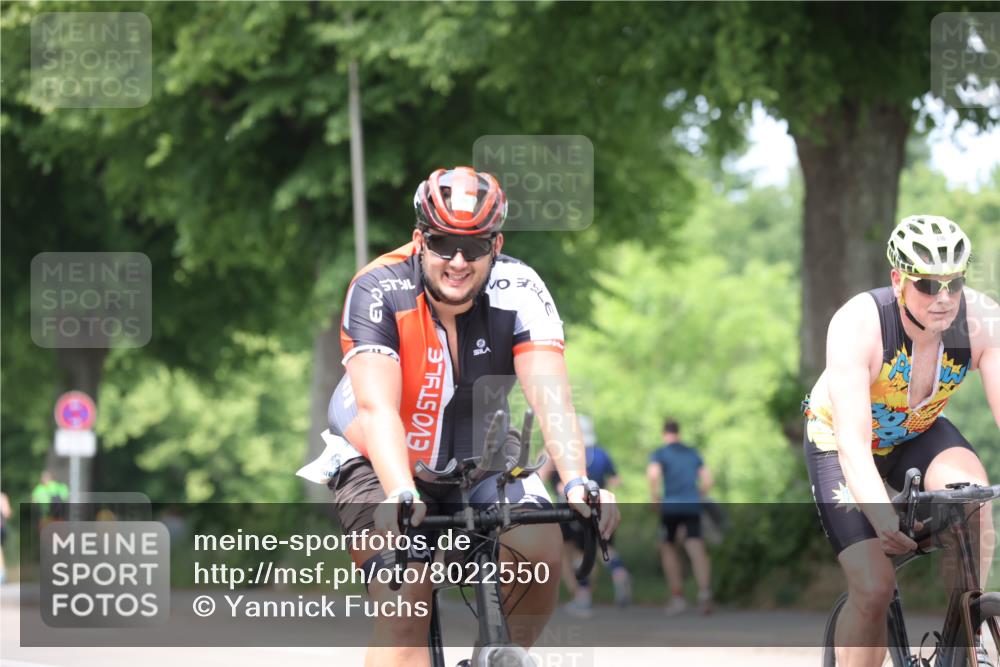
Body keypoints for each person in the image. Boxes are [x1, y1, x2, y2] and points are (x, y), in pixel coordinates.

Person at [317, 166, 620, 667]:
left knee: (540, 550)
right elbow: (377, 410)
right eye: (442, 243)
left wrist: (577, 483)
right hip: (377, 455)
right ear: (419, 239)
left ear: (495, 244)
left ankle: (494, 659)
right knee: (405, 602)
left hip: (477, 455)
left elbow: (552, 398)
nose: (458, 261)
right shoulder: (378, 288)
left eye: (475, 246)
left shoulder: (520, 289)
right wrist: (400, 492)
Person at [803, 215, 999, 667]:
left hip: (917, 430)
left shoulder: (982, 321)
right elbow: (852, 443)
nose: (944, 298)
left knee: (975, 498)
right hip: (842, 439)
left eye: (955, 283)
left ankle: (967, 642)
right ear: (898, 280)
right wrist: (880, 513)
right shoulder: (860, 323)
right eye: (928, 285)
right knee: (874, 588)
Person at [543, 415, 632, 616]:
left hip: (571, 507)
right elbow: (616, 480)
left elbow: (542, 476)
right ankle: (619, 572)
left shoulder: (564, 453)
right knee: (604, 546)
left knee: (574, 551)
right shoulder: (602, 454)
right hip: (599, 504)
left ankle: (582, 596)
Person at [647, 419, 713, 615]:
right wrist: (698, 495)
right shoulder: (692, 452)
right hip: (692, 505)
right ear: (679, 432)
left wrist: (655, 498)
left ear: (664, 434)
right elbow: (708, 479)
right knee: (696, 546)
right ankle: (704, 593)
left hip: (671, 506)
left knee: (668, 547)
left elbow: (653, 474)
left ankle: (677, 597)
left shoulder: (660, 453)